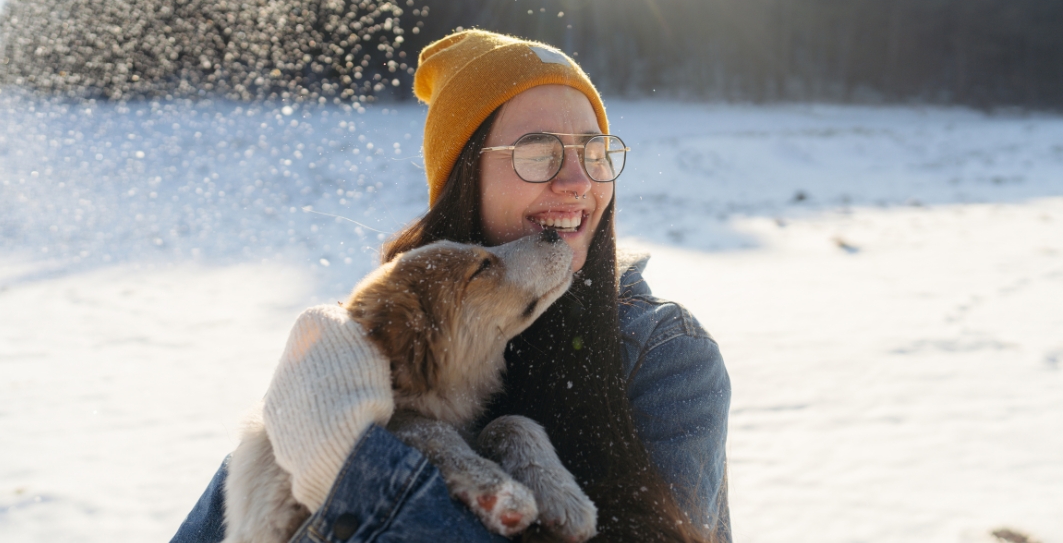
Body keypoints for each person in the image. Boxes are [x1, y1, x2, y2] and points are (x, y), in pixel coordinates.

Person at [170, 30, 731, 543]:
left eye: (594, 152)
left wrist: (352, 469)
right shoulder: (358, 348)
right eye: (539, 153)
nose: (579, 182)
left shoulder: (663, 355)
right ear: (465, 173)